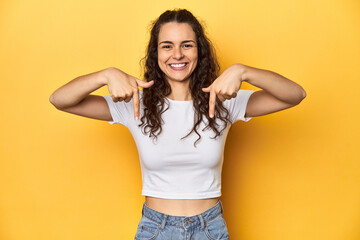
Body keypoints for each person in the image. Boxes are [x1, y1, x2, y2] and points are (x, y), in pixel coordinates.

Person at [50, 8, 306, 240]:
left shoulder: (223, 100)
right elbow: (60, 100)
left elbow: (295, 95)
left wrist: (243, 71)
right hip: (155, 229)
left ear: (199, 51)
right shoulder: (136, 103)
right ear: (156, 53)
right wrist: (104, 75)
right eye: (167, 46)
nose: (177, 55)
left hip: (211, 229)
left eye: (187, 45)